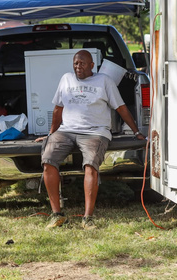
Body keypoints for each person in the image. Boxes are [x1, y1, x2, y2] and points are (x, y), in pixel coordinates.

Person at [37, 50, 146, 229]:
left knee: (90, 166)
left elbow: (121, 108)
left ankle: (87, 218)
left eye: (82, 63)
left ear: (91, 65)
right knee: (48, 160)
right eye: (75, 63)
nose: (78, 67)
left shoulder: (104, 81)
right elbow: (58, 109)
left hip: (96, 132)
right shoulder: (66, 79)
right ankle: (57, 214)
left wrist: (136, 132)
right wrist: (51, 134)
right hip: (66, 130)